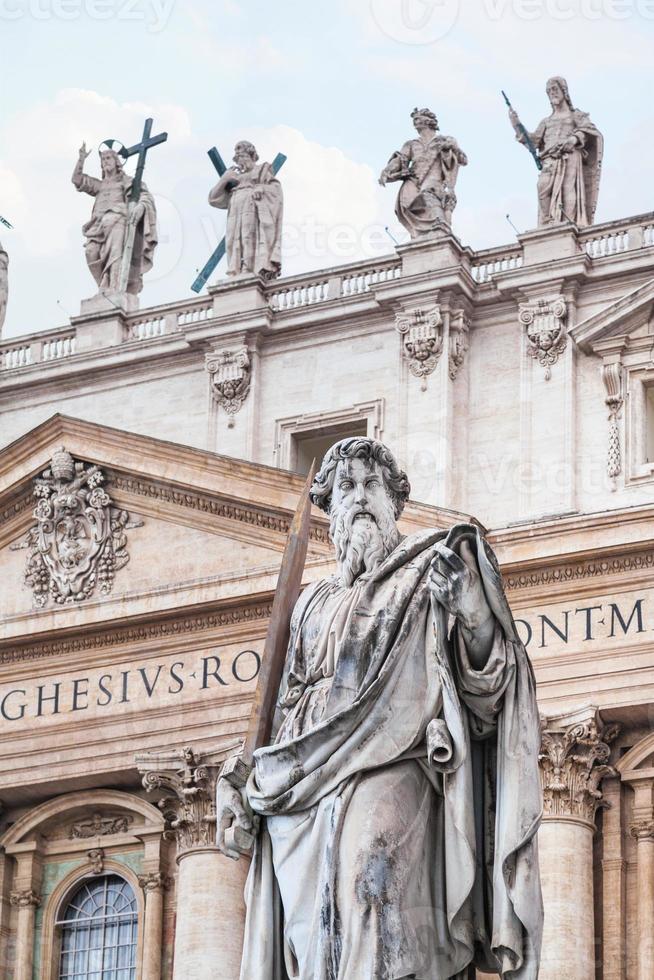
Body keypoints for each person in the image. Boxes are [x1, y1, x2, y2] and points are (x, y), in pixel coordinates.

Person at [217, 437, 543, 979]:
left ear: (395, 502)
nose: (360, 497)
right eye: (346, 487)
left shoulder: (424, 574)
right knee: (319, 932)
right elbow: (282, 708)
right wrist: (243, 776)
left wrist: (470, 612)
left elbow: (488, 690)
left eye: (372, 485)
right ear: (329, 511)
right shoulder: (310, 606)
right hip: (307, 787)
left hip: (395, 758)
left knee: (376, 876)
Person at [509, 77, 603, 227]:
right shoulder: (546, 121)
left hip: (570, 155)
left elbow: (589, 131)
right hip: (549, 159)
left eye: (554, 89)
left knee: (568, 188)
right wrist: (516, 125)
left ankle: (568, 224)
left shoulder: (576, 115)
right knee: (542, 186)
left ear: (564, 91)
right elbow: (533, 141)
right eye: (549, 91)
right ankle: (547, 221)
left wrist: (574, 139)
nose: (552, 93)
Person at [72, 142, 157, 295]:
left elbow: (145, 195)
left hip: (118, 220)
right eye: (103, 159)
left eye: (109, 158)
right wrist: (81, 159)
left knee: (115, 251)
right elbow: (77, 180)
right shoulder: (99, 185)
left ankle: (115, 287)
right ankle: (103, 285)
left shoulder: (125, 181)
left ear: (117, 162)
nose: (106, 161)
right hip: (96, 226)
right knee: (90, 252)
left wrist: (141, 206)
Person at [379, 108, 468, 236]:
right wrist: (387, 171)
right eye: (414, 120)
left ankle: (440, 227)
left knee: (428, 197)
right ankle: (422, 236)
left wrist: (452, 148)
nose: (415, 122)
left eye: (417, 119)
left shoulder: (444, 140)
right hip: (412, 179)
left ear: (428, 121)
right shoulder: (411, 144)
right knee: (407, 204)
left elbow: (463, 160)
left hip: (434, 178)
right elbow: (400, 160)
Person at [209, 140, 283, 280]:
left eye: (243, 156)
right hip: (234, 208)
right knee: (232, 239)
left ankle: (248, 269)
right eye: (238, 158)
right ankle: (234, 270)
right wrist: (224, 179)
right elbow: (213, 199)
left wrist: (262, 188)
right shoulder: (233, 177)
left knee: (248, 236)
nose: (240, 161)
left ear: (252, 156)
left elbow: (275, 190)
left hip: (252, 207)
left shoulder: (262, 170)